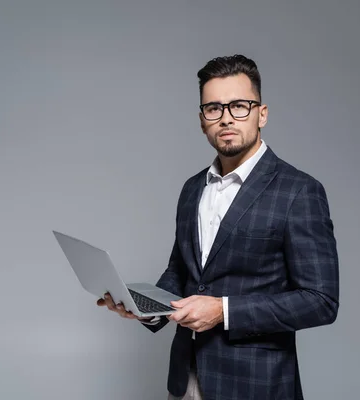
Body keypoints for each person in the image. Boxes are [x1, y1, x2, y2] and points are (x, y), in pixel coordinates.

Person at [97, 54, 339, 399]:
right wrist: (145, 309)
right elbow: (180, 272)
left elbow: (321, 301)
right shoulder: (192, 188)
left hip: (256, 385)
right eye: (214, 108)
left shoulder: (299, 191)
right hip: (185, 380)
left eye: (239, 106)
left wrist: (223, 311)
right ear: (202, 120)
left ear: (262, 113)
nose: (226, 118)